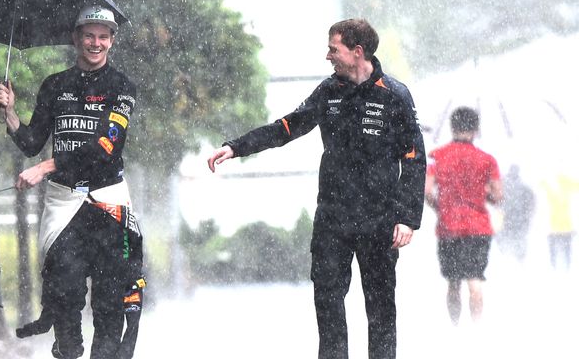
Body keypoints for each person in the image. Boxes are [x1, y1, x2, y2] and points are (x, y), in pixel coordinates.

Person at [207, 19, 426, 359]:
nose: (327, 57)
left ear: (357, 52)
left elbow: (414, 159)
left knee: (381, 310)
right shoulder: (329, 91)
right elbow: (287, 127)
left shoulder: (394, 95)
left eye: (333, 49)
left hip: (378, 220)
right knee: (328, 304)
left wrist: (408, 218)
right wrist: (236, 147)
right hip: (333, 219)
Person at [0, 5, 143, 359]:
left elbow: (107, 147)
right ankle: (68, 351)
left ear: (112, 41)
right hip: (63, 206)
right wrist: (11, 112)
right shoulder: (55, 85)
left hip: (108, 204)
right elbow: (31, 143)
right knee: (64, 296)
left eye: (103, 36)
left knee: (109, 305)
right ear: (75, 38)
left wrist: (46, 167)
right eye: (89, 35)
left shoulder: (123, 87)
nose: (95, 43)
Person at [424, 106, 502, 325]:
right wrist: (482, 191)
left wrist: (440, 208)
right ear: (476, 130)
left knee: (453, 282)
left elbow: (427, 190)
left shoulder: (437, 156)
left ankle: (456, 328)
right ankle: (476, 332)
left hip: (449, 227)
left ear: (452, 127)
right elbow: (497, 196)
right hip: (479, 227)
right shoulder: (487, 159)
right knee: (475, 282)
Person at [497, 165, 535, 262]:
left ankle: (506, 260)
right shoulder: (523, 188)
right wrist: (527, 216)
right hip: (518, 220)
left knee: (505, 242)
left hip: (507, 219)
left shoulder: (503, 185)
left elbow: (497, 202)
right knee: (518, 242)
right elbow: (531, 203)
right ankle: (519, 262)